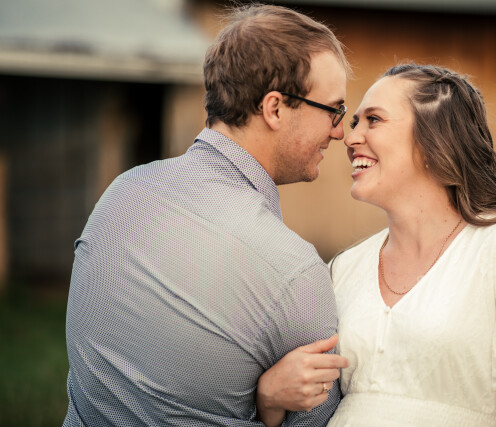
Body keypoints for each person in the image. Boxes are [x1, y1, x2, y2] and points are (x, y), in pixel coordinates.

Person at [261, 64, 496, 426]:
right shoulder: (343, 268)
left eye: (373, 120)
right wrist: (269, 398)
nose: (350, 139)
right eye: (355, 122)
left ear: (434, 140)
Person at [63, 4, 351, 426]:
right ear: (274, 109)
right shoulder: (293, 272)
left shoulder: (122, 193)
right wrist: (266, 404)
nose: (339, 131)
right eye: (333, 110)